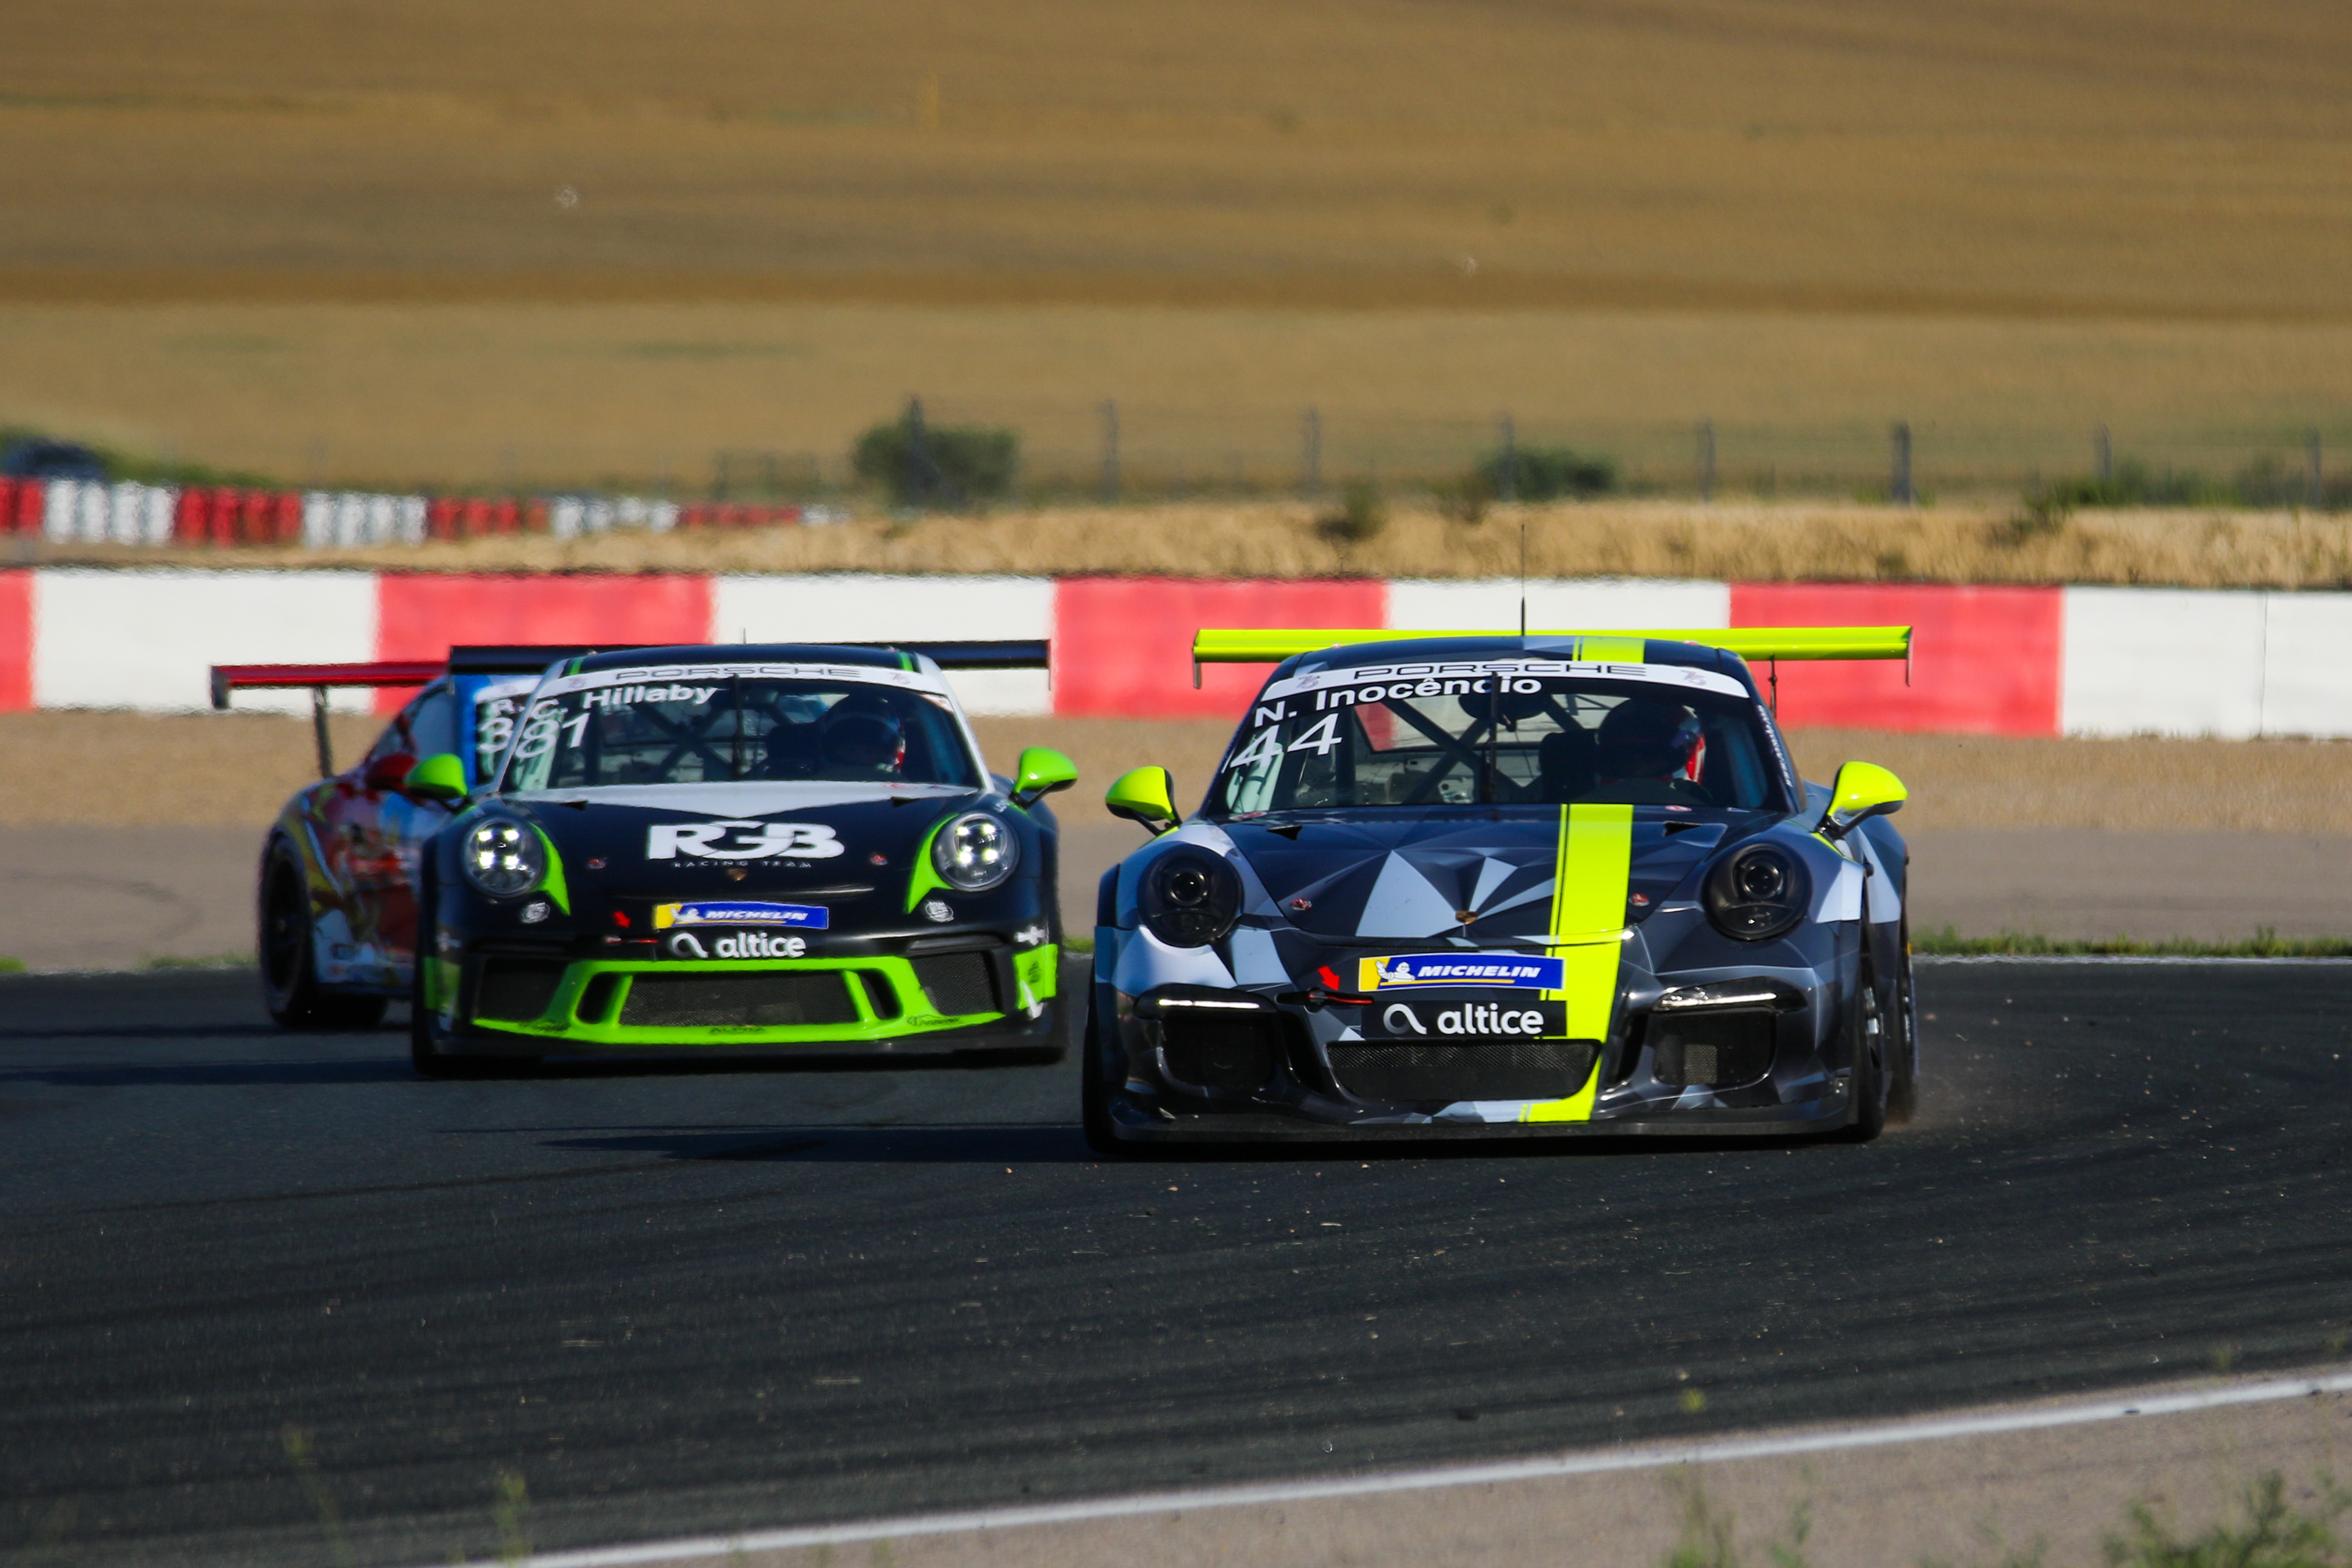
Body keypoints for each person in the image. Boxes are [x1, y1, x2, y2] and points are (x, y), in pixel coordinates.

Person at [1591, 699, 1706, 803]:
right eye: (1625, 755)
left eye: (1650, 756)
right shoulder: (1701, 808)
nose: (1637, 765)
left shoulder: (1584, 801)